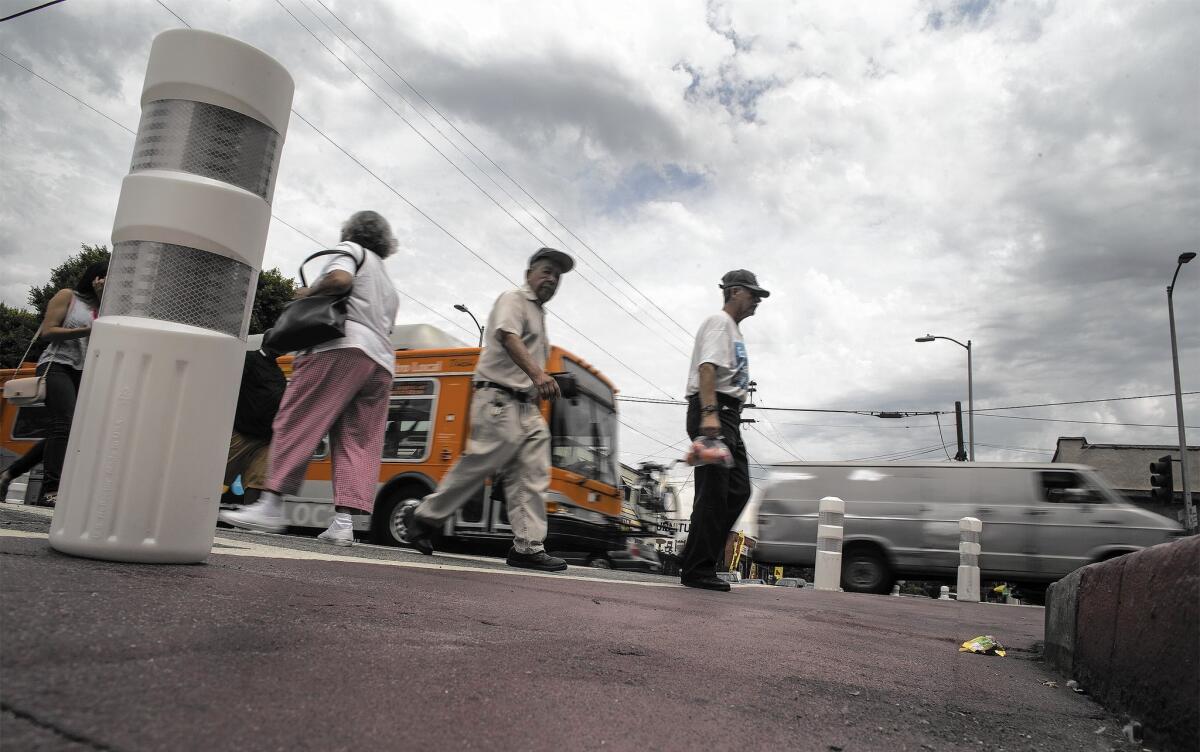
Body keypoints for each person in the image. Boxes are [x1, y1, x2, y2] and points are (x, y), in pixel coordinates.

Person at [220, 211, 400, 547]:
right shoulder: (388, 284)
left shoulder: (349, 250)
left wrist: (308, 293)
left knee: (297, 420)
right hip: (381, 362)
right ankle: (344, 523)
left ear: (352, 231)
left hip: (339, 347)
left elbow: (339, 281)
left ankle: (270, 505)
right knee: (357, 441)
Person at [402, 248, 574, 572]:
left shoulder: (540, 315)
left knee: (533, 473)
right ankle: (424, 516)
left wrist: (544, 385)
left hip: (525, 406)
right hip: (497, 398)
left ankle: (528, 546)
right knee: (480, 462)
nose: (552, 278)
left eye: (558, 275)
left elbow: (528, 360)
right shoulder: (514, 299)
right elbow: (508, 337)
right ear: (529, 274)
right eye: (546, 270)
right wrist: (539, 375)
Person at [679, 269, 769, 591]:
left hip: (728, 415)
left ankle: (695, 557)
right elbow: (707, 369)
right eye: (753, 293)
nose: (758, 300)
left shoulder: (733, 330)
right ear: (734, 292)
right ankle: (697, 569)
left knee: (738, 490)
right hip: (714, 409)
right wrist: (709, 414)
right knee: (714, 492)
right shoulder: (720, 323)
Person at [22, 260, 109, 507]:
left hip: (84, 370)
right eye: (104, 277)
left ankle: (10, 473)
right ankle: (50, 490)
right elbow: (47, 331)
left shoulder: (107, 308)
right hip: (58, 363)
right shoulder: (69, 296)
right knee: (64, 423)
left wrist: (104, 300)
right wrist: (83, 331)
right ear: (94, 277)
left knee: (71, 429)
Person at [221, 343, 287, 509]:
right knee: (220, 473)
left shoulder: (277, 369)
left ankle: (249, 524)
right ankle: (195, 509)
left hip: (266, 437)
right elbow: (231, 387)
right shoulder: (249, 359)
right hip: (242, 432)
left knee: (258, 479)